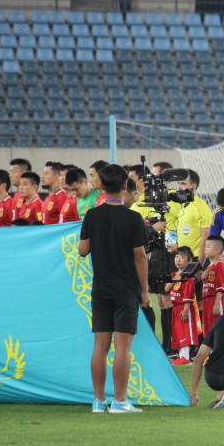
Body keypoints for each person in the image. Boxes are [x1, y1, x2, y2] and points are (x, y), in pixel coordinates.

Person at [78, 164, 150, 413]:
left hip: (100, 289)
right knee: (123, 347)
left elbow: (82, 250)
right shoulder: (133, 218)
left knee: (100, 346)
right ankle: (120, 401)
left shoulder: (92, 215)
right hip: (125, 289)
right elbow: (140, 256)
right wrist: (145, 291)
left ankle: (98, 401)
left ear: (102, 186)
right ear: (125, 186)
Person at [166, 246, 200, 366]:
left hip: (184, 307)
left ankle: (186, 356)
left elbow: (188, 295)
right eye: (176, 256)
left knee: (185, 330)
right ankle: (181, 355)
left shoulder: (188, 277)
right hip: (175, 308)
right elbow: (166, 288)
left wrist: (186, 310)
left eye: (182, 256)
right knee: (178, 331)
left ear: (189, 260)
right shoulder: (174, 275)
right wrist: (176, 278)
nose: (178, 259)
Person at [177, 169, 213, 264]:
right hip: (183, 259)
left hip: (196, 259)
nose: (179, 187)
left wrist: (199, 265)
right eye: (178, 183)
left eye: (183, 184)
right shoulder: (184, 205)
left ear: (193, 186)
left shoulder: (201, 207)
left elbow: (205, 238)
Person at [201, 236, 224, 333]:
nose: (205, 249)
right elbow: (209, 284)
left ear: (217, 250)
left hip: (214, 299)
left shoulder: (219, 265)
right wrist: (203, 279)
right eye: (205, 247)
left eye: (208, 247)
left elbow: (220, 287)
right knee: (208, 329)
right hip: (207, 300)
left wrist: (216, 304)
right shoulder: (209, 266)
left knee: (217, 328)